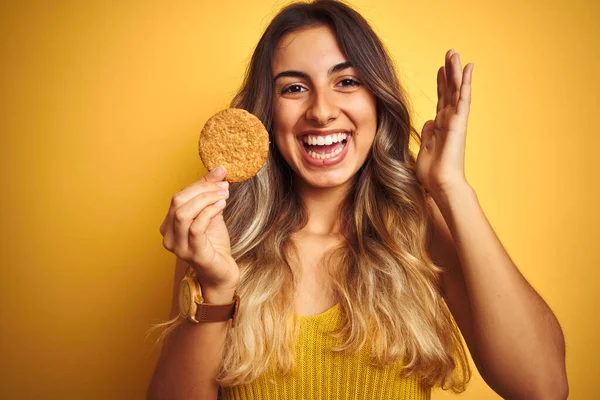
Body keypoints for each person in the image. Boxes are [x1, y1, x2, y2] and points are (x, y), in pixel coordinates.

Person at [147, 1, 568, 399]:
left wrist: (451, 188)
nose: (322, 111)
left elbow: (542, 387)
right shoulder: (220, 240)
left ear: (376, 100)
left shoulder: (416, 231)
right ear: (266, 115)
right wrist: (216, 289)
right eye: (294, 88)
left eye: (346, 82)